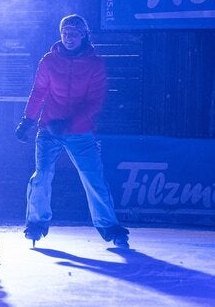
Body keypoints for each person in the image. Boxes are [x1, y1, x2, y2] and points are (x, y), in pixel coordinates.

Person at [15, 14, 130, 249]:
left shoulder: (94, 64)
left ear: (83, 35)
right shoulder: (49, 61)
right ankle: (36, 222)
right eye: (65, 33)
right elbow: (38, 92)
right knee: (42, 175)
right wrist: (28, 120)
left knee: (93, 177)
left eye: (74, 33)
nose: (69, 38)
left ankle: (109, 226)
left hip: (80, 132)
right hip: (49, 128)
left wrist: (69, 123)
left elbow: (94, 101)